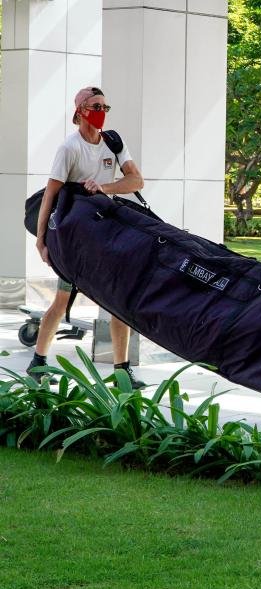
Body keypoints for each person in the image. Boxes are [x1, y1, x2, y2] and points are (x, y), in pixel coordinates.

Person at [27, 86, 146, 388]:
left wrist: (104, 187)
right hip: (76, 239)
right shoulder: (70, 148)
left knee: (117, 301)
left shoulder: (113, 143)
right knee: (63, 298)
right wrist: (41, 241)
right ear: (80, 110)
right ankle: (38, 361)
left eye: (105, 107)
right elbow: (50, 195)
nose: (101, 112)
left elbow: (136, 180)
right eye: (95, 106)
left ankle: (122, 371)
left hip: (106, 231)